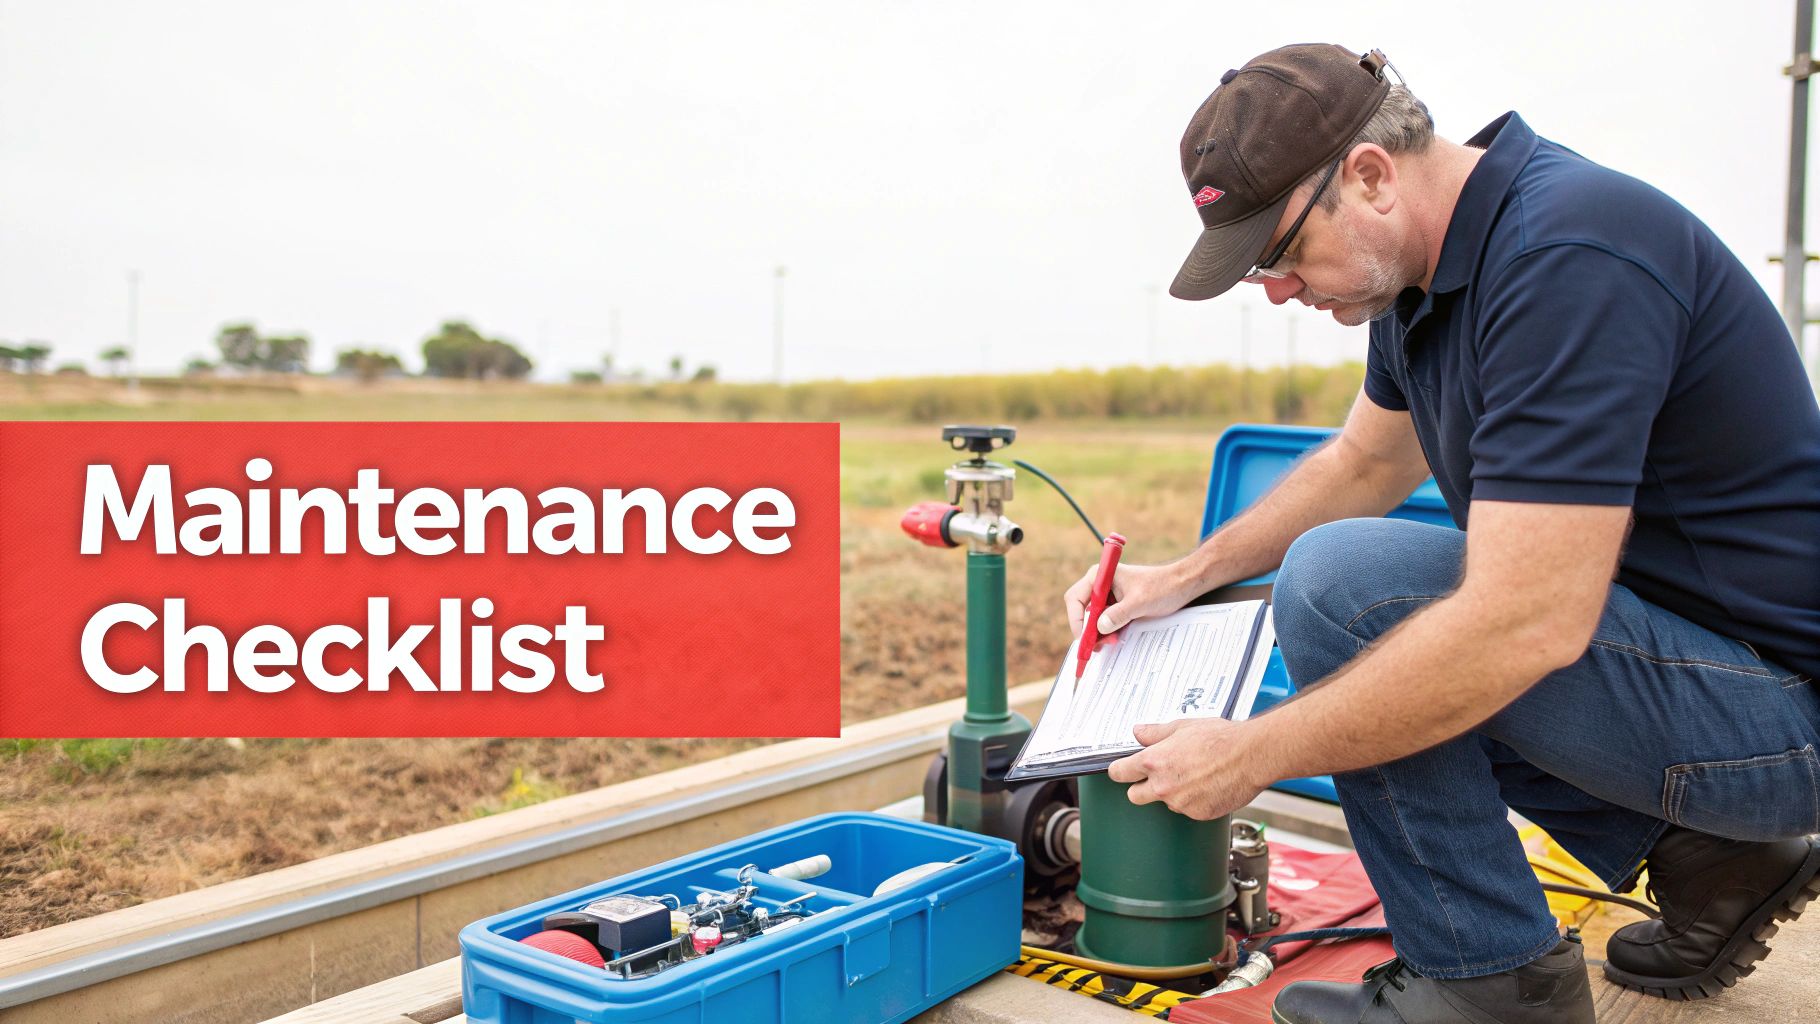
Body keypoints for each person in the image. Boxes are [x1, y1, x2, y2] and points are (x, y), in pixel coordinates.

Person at [1064, 43, 1820, 1024]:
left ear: (1368, 174)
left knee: (1348, 589)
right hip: (1690, 680)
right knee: (1352, 580)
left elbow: (1525, 626)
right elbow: (1364, 464)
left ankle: (1488, 986)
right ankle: (1705, 857)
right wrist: (1181, 574)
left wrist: (1251, 753)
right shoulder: (1425, 271)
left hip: (1780, 718)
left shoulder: (1565, 257)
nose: (1281, 291)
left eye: (1280, 254)